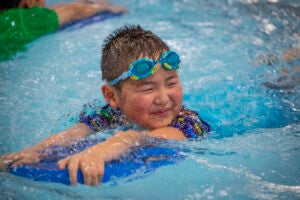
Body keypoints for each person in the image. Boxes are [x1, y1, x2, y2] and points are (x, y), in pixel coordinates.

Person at [0, 25, 210, 186]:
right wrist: (37, 152)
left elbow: (171, 137)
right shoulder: (111, 115)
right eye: (148, 89)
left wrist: (121, 141)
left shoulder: (188, 120)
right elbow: (74, 132)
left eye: (171, 83)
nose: (164, 97)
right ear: (112, 96)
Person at [0, 0, 127, 61]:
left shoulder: (9, 19)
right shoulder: (28, 21)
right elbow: (76, 10)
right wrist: (109, 7)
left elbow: (51, 10)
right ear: (31, 2)